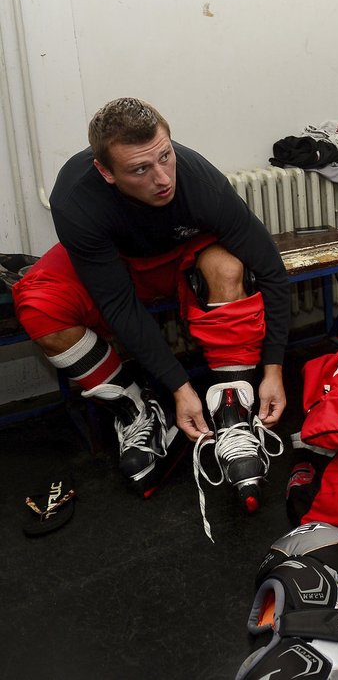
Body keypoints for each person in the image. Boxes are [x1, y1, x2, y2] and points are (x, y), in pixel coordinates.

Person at [13, 98, 290, 509]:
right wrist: (179, 387)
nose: (162, 178)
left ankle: (233, 406)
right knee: (39, 307)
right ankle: (138, 407)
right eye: (141, 169)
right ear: (105, 171)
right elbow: (120, 304)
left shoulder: (199, 182)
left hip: (180, 255)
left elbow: (270, 270)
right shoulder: (75, 199)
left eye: (166, 156)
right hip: (114, 265)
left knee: (229, 267)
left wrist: (273, 370)